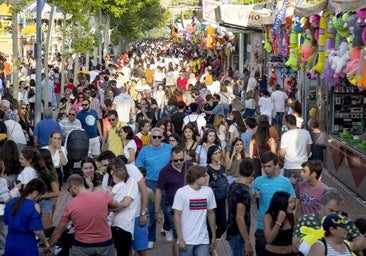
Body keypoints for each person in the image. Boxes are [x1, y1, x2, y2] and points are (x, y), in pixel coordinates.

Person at [45, 174, 121, 256]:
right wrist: (102, 209)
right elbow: (117, 205)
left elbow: (59, 230)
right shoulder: (102, 195)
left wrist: (49, 246)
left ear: (72, 187)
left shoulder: (70, 206)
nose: (70, 193)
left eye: (68, 190)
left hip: (82, 246)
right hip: (105, 244)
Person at [293, 188, 366, 255]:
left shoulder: (345, 222)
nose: (334, 214)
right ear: (321, 205)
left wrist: (345, 246)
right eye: (331, 210)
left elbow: (362, 242)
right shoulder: (306, 219)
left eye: (338, 212)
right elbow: (295, 245)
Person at [252, 152, 295, 256]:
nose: (266, 169)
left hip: (282, 227)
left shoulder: (285, 182)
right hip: (262, 226)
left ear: (276, 165)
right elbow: (251, 197)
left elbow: (293, 201)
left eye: (269, 166)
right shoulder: (258, 181)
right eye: (264, 166)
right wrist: (253, 196)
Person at [135, 127, 172, 249]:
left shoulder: (169, 148)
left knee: (168, 209)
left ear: (162, 137)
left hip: (167, 184)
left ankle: (167, 228)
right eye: (154, 137)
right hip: (151, 183)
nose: (156, 139)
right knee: (150, 211)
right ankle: (151, 238)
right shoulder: (144, 151)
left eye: (159, 137)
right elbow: (139, 166)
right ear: (150, 138)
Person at [155, 146, 193, 256]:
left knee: (187, 235)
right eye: (176, 160)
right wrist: (157, 212)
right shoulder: (165, 171)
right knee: (178, 236)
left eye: (181, 159)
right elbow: (158, 191)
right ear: (171, 159)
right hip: (173, 209)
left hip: (190, 208)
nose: (179, 162)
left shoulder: (190, 168)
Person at [173, 165, 217, 256]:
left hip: (203, 239)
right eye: (204, 175)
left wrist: (213, 235)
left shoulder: (208, 191)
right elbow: (177, 216)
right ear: (196, 177)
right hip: (187, 239)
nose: (206, 177)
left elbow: (211, 213)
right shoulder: (181, 193)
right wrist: (180, 239)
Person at [4, 179, 49, 256]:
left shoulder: (12, 201)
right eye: (40, 195)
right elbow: (38, 231)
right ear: (35, 193)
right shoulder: (34, 206)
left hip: (10, 243)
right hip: (26, 245)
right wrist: (46, 243)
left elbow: (6, 221)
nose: (40, 198)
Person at [226, 158, 254, 256]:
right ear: (252, 173)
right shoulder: (244, 192)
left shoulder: (232, 186)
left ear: (239, 170)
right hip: (238, 233)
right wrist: (248, 242)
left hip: (231, 229)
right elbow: (239, 218)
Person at [279, 114, 312, 188]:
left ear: (287, 123)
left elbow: (281, 154)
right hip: (303, 165)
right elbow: (309, 150)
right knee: (303, 189)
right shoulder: (306, 133)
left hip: (289, 166)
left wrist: (281, 160)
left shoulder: (285, 135)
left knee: (289, 190)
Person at [263, 191, 296, 256]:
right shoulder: (268, 216)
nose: (293, 205)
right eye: (290, 202)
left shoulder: (291, 216)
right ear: (282, 203)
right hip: (272, 253)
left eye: (293, 202)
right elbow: (269, 239)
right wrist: (278, 222)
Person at [206, 145, 228, 241]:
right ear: (210, 156)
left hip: (222, 201)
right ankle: (211, 245)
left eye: (219, 153)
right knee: (210, 226)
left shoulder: (222, 167)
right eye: (215, 153)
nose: (218, 155)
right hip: (212, 201)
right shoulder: (207, 169)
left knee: (223, 225)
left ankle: (215, 238)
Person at [38, 148, 60, 228]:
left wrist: (41, 196)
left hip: (45, 203)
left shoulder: (49, 174)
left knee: (46, 228)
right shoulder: (44, 171)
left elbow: (56, 192)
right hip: (46, 204)